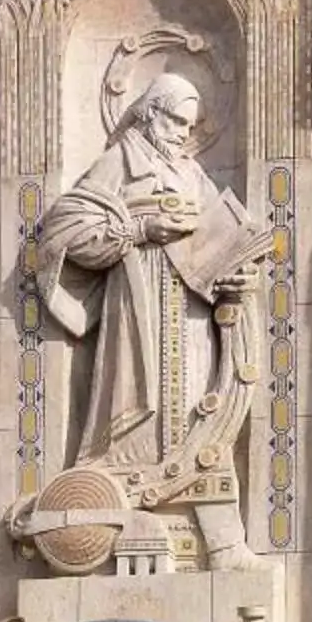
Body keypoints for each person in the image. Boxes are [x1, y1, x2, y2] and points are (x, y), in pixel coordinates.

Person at [37, 75, 262, 473]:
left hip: (193, 314)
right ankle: (123, 474)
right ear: (151, 112)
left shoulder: (191, 174)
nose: (183, 134)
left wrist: (240, 276)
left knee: (190, 395)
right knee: (135, 397)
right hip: (137, 304)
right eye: (176, 121)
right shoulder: (118, 162)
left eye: (189, 126)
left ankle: (182, 476)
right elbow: (64, 231)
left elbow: (227, 238)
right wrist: (140, 230)